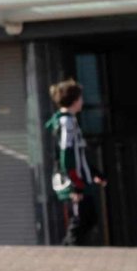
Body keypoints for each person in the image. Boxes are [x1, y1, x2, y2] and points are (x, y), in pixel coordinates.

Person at [45, 80, 102, 246]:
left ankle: (72, 253)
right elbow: (66, 153)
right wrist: (75, 183)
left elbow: (79, 156)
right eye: (80, 98)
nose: (82, 101)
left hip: (80, 179)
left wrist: (95, 173)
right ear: (74, 100)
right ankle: (67, 256)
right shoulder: (66, 123)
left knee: (89, 218)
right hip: (72, 181)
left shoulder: (71, 121)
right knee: (80, 221)